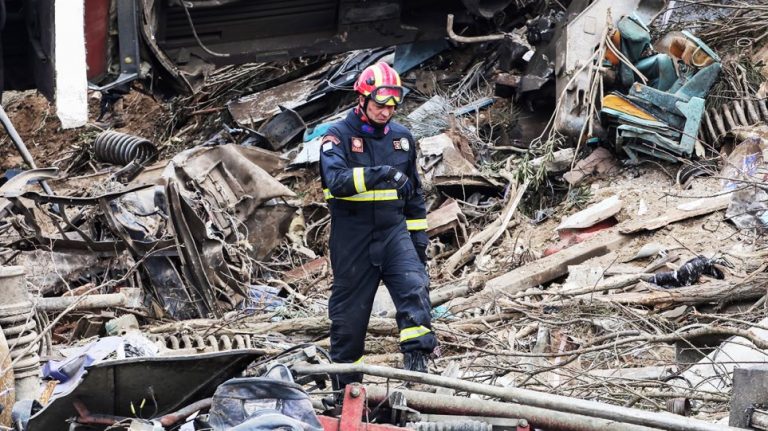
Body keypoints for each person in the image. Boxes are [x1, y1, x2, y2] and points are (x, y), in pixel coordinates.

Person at [319, 62, 437, 392]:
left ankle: (417, 370)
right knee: (348, 322)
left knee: (414, 287)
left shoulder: (402, 139)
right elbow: (337, 181)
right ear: (362, 99)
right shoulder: (336, 138)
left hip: (393, 232)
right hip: (352, 238)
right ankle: (345, 393)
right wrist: (380, 173)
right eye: (379, 105)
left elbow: (413, 196)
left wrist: (419, 241)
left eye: (391, 107)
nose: (386, 112)